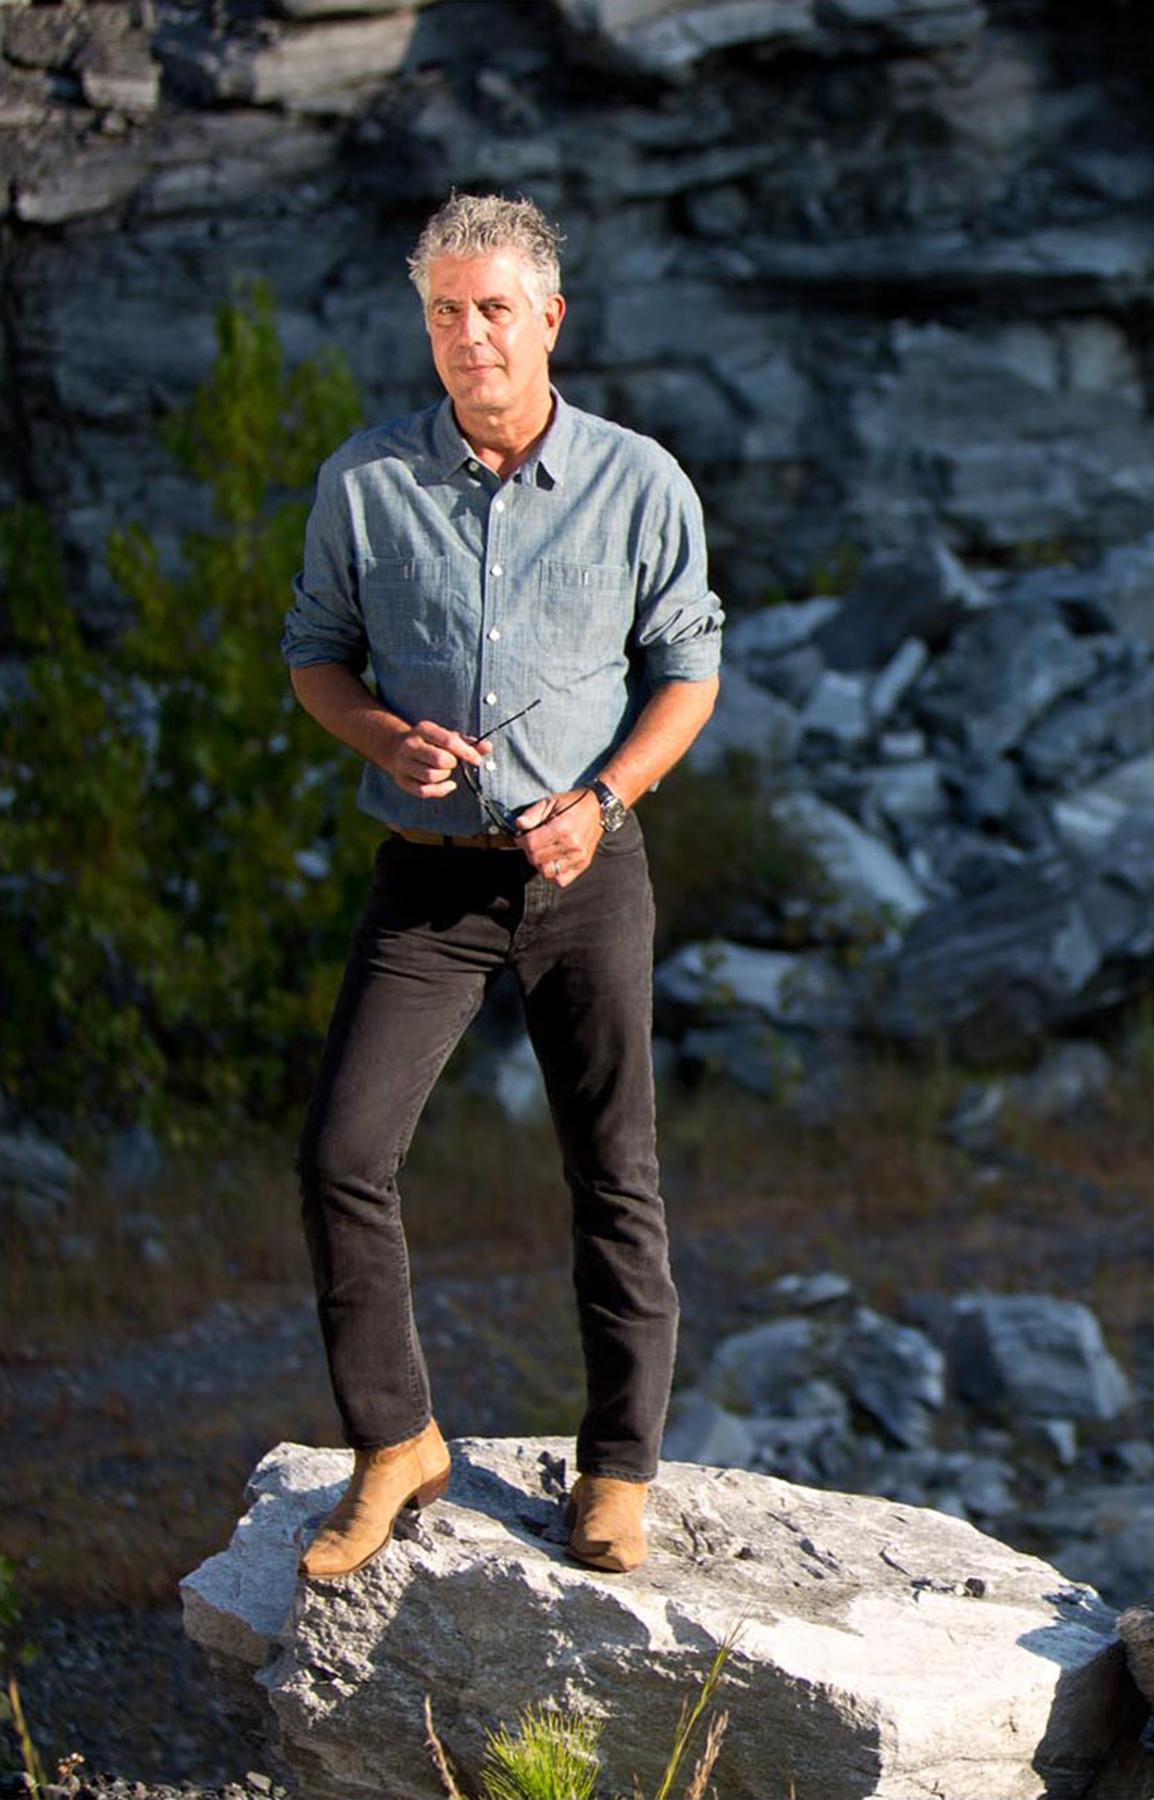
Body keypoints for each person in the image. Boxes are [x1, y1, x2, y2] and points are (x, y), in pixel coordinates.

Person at [279, 191, 722, 1579]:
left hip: (587, 875)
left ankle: (617, 1471)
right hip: (426, 884)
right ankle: (397, 1440)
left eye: (492, 310)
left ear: (549, 322)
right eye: (443, 312)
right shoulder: (364, 483)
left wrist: (603, 800)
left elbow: (688, 674)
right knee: (343, 1155)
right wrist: (379, 734)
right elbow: (316, 658)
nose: (468, 335)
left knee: (613, 1170)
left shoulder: (639, 481)